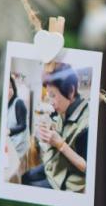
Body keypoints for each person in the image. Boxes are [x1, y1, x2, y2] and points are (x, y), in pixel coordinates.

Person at [20, 63, 90, 192]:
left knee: (27, 186)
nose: (50, 102)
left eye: (53, 95)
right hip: (56, 167)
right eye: (48, 96)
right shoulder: (63, 110)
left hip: (68, 180)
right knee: (25, 177)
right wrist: (50, 131)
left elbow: (88, 167)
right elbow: (63, 131)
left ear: (71, 91)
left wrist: (60, 144)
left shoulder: (87, 123)